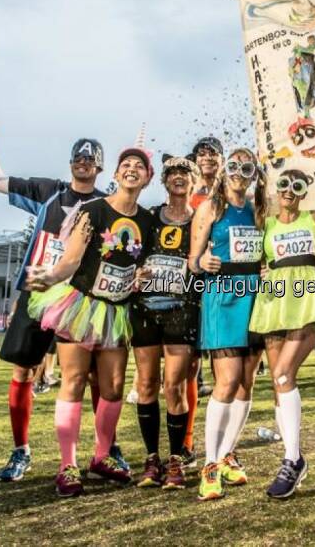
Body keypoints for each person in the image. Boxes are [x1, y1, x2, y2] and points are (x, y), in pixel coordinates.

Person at [0, 109, 113, 482]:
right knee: (24, 371)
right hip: (37, 293)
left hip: (80, 300)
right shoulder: (49, 192)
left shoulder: (106, 205)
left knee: (92, 376)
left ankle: (106, 451)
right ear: (70, 163)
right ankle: (20, 451)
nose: (83, 163)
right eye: (78, 157)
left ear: (100, 167)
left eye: (90, 159)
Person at [26, 147, 155, 498]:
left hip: (116, 310)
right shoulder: (92, 211)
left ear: (148, 178)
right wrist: (49, 277)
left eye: (139, 166)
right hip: (80, 306)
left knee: (113, 386)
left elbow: (143, 263)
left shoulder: (147, 221)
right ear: (115, 174)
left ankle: (101, 456)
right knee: (74, 380)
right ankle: (67, 465)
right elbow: (70, 260)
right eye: (126, 164)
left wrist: (142, 274)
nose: (132, 169)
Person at [189, 147, 266, 501]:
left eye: (245, 167)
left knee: (247, 381)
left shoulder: (257, 210)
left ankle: (227, 454)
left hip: (254, 298)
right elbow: (192, 261)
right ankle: (209, 464)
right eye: (232, 166)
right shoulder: (210, 207)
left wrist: (266, 267)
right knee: (228, 380)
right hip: (222, 298)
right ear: (224, 170)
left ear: (253, 173)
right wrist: (203, 259)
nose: (238, 172)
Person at [250, 168, 315, 498]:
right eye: (284, 184)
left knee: (283, 374)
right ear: (275, 189)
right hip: (273, 302)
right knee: (277, 384)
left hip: (306, 299)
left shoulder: (313, 217)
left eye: (298, 185)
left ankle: (292, 459)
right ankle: (291, 457)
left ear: (304, 192)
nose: (290, 190)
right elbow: (253, 258)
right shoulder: (265, 223)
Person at [131, 156, 203, 490]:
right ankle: (151, 459)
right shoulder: (148, 218)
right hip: (146, 308)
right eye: (172, 173)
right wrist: (136, 272)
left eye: (185, 173)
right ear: (163, 180)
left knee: (173, 385)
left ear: (195, 180)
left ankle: (175, 460)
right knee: (146, 385)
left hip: (182, 310)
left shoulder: (202, 220)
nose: (178, 178)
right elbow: (130, 253)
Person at [184, 136, 225, 451]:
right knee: (191, 363)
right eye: (202, 153)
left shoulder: (232, 192)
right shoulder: (186, 194)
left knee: (224, 363)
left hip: (228, 282)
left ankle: (225, 444)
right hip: (193, 280)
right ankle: (186, 441)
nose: (207, 157)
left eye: (213, 152)